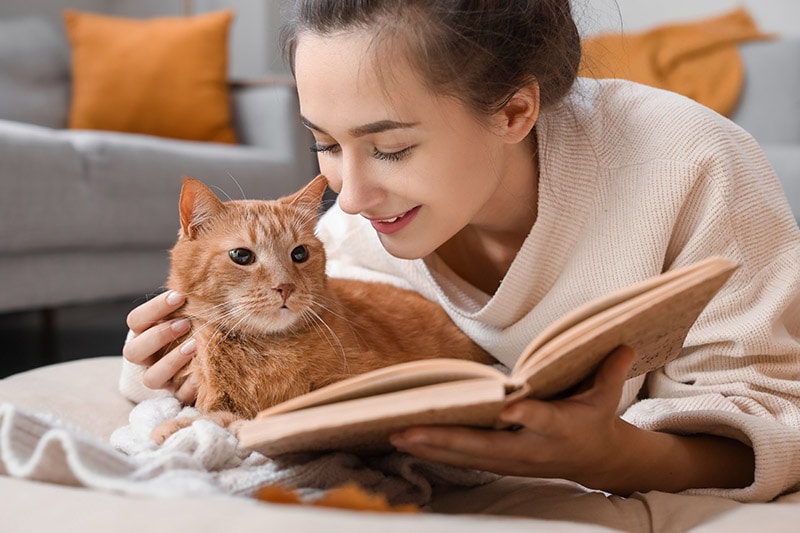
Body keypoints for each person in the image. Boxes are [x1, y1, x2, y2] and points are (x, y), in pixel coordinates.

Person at [122, 0, 800, 511]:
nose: (348, 197)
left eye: (391, 148)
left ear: (513, 112)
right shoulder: (354, 243)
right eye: (325, 143)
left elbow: (773, 414)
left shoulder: (694, 164)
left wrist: (616, 455)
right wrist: (169, 364)